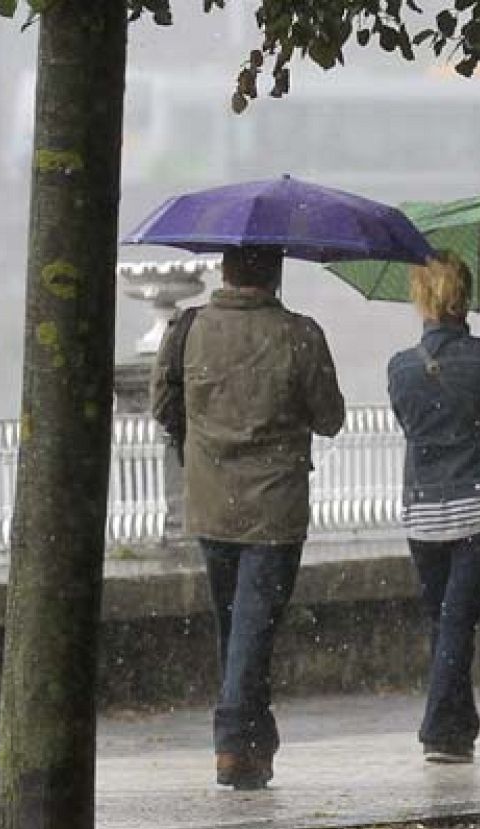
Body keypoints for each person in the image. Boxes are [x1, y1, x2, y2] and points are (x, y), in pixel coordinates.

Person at [152, 245, 345, 789]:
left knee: (235, 625)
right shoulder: (299, 334)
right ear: (275, 272)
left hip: (210, 504)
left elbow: (165, 409)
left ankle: (253, 744)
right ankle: (236, 741)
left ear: (225, 269)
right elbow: (330, 417)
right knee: (253, 628)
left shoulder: (188, 328)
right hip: (275, 508)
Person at [387, 250, 480, 764]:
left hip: (423, 514)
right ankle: (439, 731)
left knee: (445, 620)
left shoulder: (400, 367)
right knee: (457, 621)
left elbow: (413, 427)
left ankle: (458, 730)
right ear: (466, 297)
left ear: (420, 298)